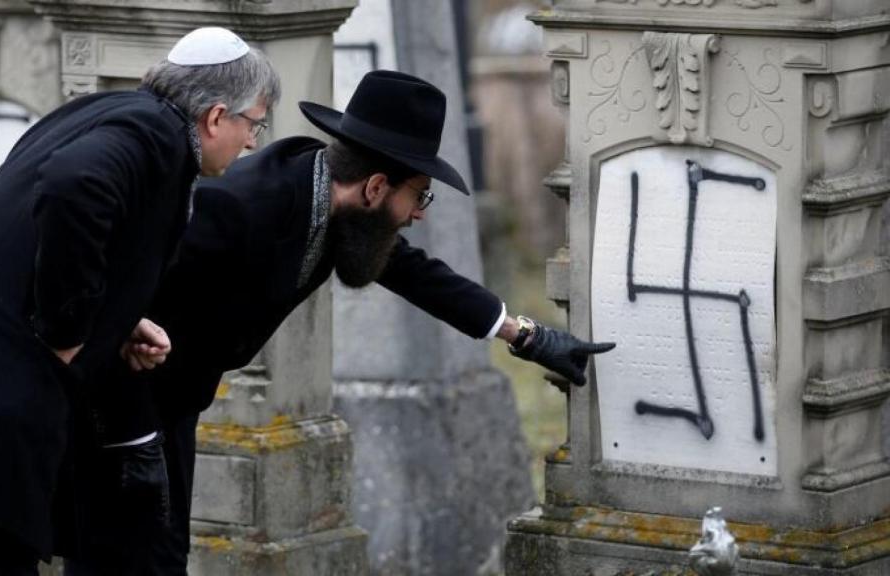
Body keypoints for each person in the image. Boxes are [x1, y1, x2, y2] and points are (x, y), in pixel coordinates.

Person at [68, 69, 614, 575]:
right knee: (121, 554)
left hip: (175, 402)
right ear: (376, 187)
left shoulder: (330, 195)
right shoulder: (240, 209)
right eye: (418, 193)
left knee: (160, 556)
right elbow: (121, 291)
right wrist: (130, 433)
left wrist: (526, 336)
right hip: (118, 403)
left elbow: (412, 270)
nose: (420, 211)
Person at [0, 27, 279, 575]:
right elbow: (72, 183)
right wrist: (71, 327)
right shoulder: (154, 134)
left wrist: (119, 320)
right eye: (254, 123)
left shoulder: (114, 113)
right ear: (216, 116)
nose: (253, 141)